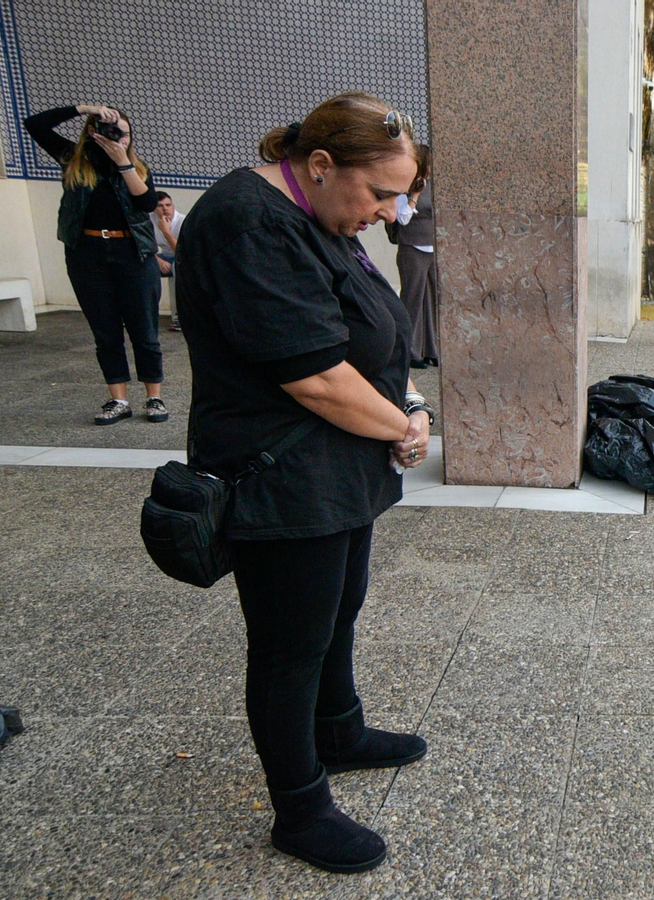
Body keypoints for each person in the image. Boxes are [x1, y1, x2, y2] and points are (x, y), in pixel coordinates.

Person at [177, 92, 431, 874]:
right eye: (380, 194)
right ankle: (300, 808)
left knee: (339, 608)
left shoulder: (324, 213)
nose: (391, 214)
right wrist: (405, 427)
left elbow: (369, 333)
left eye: (400, 196)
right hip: (280, 474)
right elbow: (316, 377)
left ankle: (340, 731)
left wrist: (407, 402)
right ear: (318, 166)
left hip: (338, 469)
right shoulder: (247, 221)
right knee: (290, 645)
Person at [24, 103, 168, 425]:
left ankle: (154, 397)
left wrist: (123, 163)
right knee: (105, 331)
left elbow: (146, 204)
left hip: (133, 253)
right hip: (86, 253)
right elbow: (35, 124)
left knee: (144, 329)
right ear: (93, 132)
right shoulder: (73, 160)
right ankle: (119, 400)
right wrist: (83, 108)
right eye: (110, 131)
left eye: (124, 133)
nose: (118, 137)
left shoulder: (137, 167)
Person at [388, 144, 438, 368]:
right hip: (412, 248)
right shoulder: (405, 186)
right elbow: (402, 219)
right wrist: (415, 195)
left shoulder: (436, 186)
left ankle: (431, 349)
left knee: (433, 299)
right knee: (412, 300)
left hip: (434, 249)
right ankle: (408, 351)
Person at [149, 192, 185, 332]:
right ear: (154, 208)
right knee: (141, 266)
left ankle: (179, 316)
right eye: (160, 206)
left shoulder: (182, 221)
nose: (165, 209)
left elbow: (181, 251)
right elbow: (144, 245)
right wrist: (157, 260)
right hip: (161, 257)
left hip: (181, 257)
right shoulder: (148, 221)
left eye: (168, 205)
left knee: (178, 267)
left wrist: (166, 231)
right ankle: (144, 313)